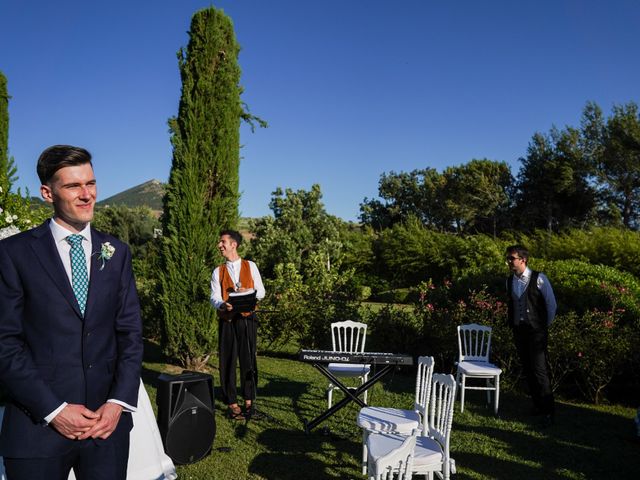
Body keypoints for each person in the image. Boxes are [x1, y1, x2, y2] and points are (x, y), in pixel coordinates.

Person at [0, 145, 143, 480]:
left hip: (105, 429)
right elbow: (5, 342)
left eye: (90, 184)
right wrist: (54, 410)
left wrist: (117, 404)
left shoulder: (117, 252)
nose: (86, 195)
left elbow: (130, 334)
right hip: (37, 426)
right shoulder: (13, 254)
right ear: (47, 193)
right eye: (73, 186)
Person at [210, 230, 265, 420]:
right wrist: (222, 304)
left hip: (248, 319)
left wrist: (248, 292)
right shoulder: (218, 271)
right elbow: (214, 296)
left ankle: (249, 400)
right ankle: (232, 402)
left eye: (223, 241)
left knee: (248, 359)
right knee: (228, 361)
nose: (220, 245)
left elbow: (261, 292)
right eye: (220, 242)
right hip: (227, 319)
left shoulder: (251, 266)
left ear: (234, 244)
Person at [505, 245, 557, 426]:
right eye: (508, 258)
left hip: (537, 331)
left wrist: (543, 327)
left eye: (512, 258)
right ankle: (537, 406)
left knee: (539, 370)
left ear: (523, 260)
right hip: (520, 331)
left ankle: (548, 410)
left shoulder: (539, 279)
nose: (509, 261)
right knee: (527, 369)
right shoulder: (510, 280)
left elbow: (551, 305)